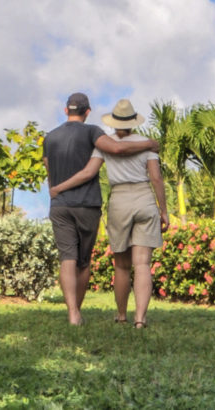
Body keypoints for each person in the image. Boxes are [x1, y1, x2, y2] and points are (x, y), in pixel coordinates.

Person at [50, 98, 168, 329]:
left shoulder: (105, 144)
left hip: (119, 200)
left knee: (122, 265)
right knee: (142, 264)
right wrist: (163, 210)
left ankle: (122, 315)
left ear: (114, 123)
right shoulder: (147, 144)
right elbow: (156, 178)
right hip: (144, 198)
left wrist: (59, 187)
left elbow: (87, 173)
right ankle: (140, 319)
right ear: (133, 122)